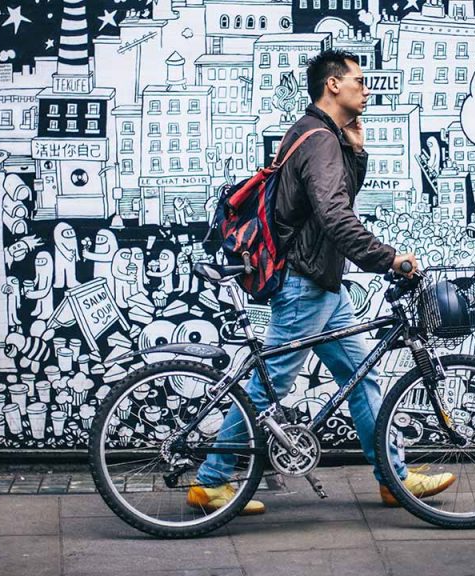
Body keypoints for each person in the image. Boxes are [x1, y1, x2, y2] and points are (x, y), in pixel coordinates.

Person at [187, 49, 456, 515]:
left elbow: (335, 199)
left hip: (322, 283)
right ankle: (211, 481)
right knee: (269, 386)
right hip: (305, 282)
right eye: (358, 80)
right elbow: (336, 216)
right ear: (333, 85)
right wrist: (390, 259)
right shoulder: (318, 140)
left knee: (360, 374)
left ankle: (393, 477)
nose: (365, 88)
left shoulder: (317, 134)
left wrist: (357, 148)